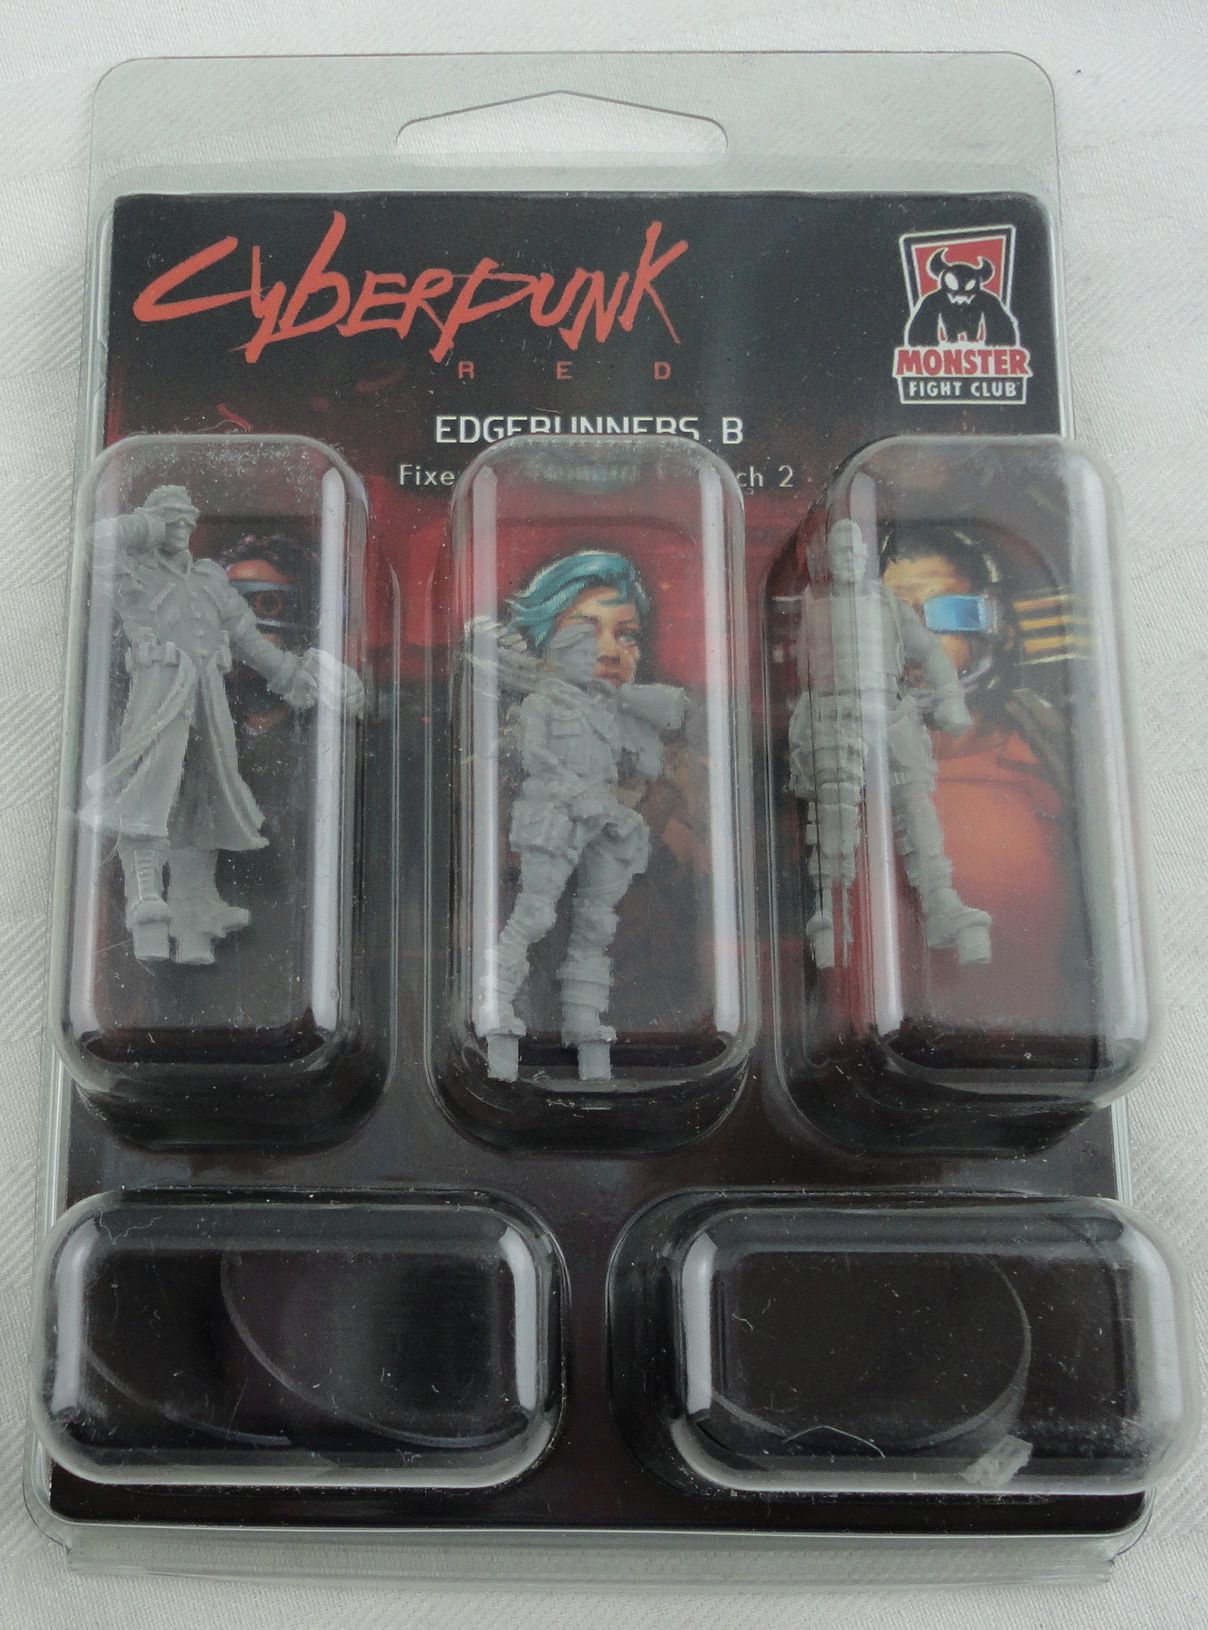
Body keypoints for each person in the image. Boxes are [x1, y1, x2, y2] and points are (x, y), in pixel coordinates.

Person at [80, 485, 362, 965]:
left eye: (186, 518)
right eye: (172, 518)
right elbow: (97, 540)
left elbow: (248, 639)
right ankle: (145, 901)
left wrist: (292, 675)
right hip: (161, 682)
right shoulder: (138, 570)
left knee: (208, 794)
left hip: (207, 691)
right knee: (150, 787)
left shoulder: (209, 578)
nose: (182, 527)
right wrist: (148, 525)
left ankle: (193, 912)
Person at [474, 549, 686, 1081]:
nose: (604, 653)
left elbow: (652, 746)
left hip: (603, 825)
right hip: (555, 819)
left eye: (626, 635)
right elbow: (535, 758)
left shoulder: (610, 710)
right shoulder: (541, 705)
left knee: (596, 925)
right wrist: (577, 795)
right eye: (584, 637)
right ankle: (497, 1008)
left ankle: (584, 1021)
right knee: (534, 916)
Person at [880, 523, 1081, 1032]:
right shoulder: (838, 766)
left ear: (997, 624)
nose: (916, 641)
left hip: (1044, 1040)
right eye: (891, 619)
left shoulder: (1058, 759)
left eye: (946, 613)